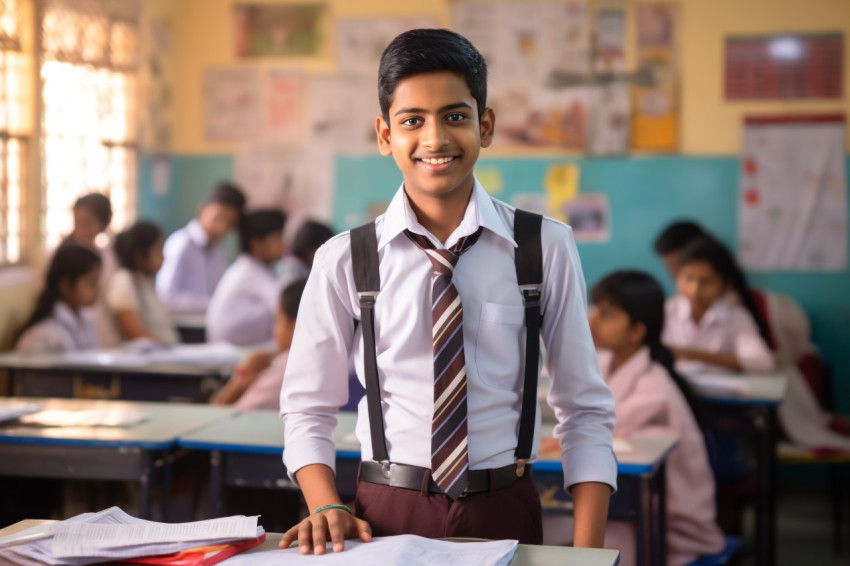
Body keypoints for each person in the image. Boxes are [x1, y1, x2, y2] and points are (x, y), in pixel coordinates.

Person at [280, 29, 616, 555]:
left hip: (505, 502)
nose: (435, 139)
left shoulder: (543, 246)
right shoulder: (344, 258)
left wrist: (587, 552)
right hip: (386, 508)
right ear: (385, 134)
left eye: (455, 116)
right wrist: (325, 504)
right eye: (412, 120)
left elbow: (585, 408)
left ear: (486, 126)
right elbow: (307, 407)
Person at [587, 270, 724, 566]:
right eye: (595, 309)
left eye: (607, 314)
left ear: (637, 331)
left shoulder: (655, 385)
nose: (592, 320)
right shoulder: (605, 360)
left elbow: (596, 425)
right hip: (630, 503)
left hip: (669, 520)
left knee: (588, 541)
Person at [662, 237, 774, 373]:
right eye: (688, 278)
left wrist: (693, 354)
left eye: (706, 281)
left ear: (726, 285)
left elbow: (762, 362)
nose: (695, 290)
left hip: (720, 392)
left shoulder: (736, 317)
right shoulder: (665, 310)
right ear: (677, 277)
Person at [211, 278, 306, 410]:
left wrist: (239, 383)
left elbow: (220, 414)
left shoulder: (285, 367)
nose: (275, 331)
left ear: (295, 326)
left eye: (278, 321)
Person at [156, 182, 246, 314]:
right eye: (218, 217)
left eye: (230, 223)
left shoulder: (216, 250)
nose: (222, 227)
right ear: (202, 209)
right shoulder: (182, 244)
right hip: (184, 326)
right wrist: (213, 304)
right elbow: (166, 297)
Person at [206, 209, 287, 347]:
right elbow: (286, 305)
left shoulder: (257, 269)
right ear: (257, 244)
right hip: (232, 350)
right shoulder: (249, 272)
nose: (284, 244)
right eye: (278, 237)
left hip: (242, 345)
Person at [59, 192, 120, 348]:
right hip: (74, 331)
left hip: (103, 332)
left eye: (86, 223)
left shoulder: (108, 257)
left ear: (102, 224)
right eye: (76, 223)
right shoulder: (62, 257)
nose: (79, 230)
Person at [15, 245, 102, 353]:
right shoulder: (42, 335)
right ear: (65, 285)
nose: (98, 290)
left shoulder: (87, 320)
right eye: (91, 283)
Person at [106, 220, 179, 345]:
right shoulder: (123, 281)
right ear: (139, 255)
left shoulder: (145, 281)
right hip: (150, 360)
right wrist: (169, 350)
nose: (163, 257)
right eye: (158, 250)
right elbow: (135, 335)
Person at [278, 220, 334, 289]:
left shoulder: (287, 263)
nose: (328, 257)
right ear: (312, 250)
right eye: (326, 252)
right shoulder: (296, 271)